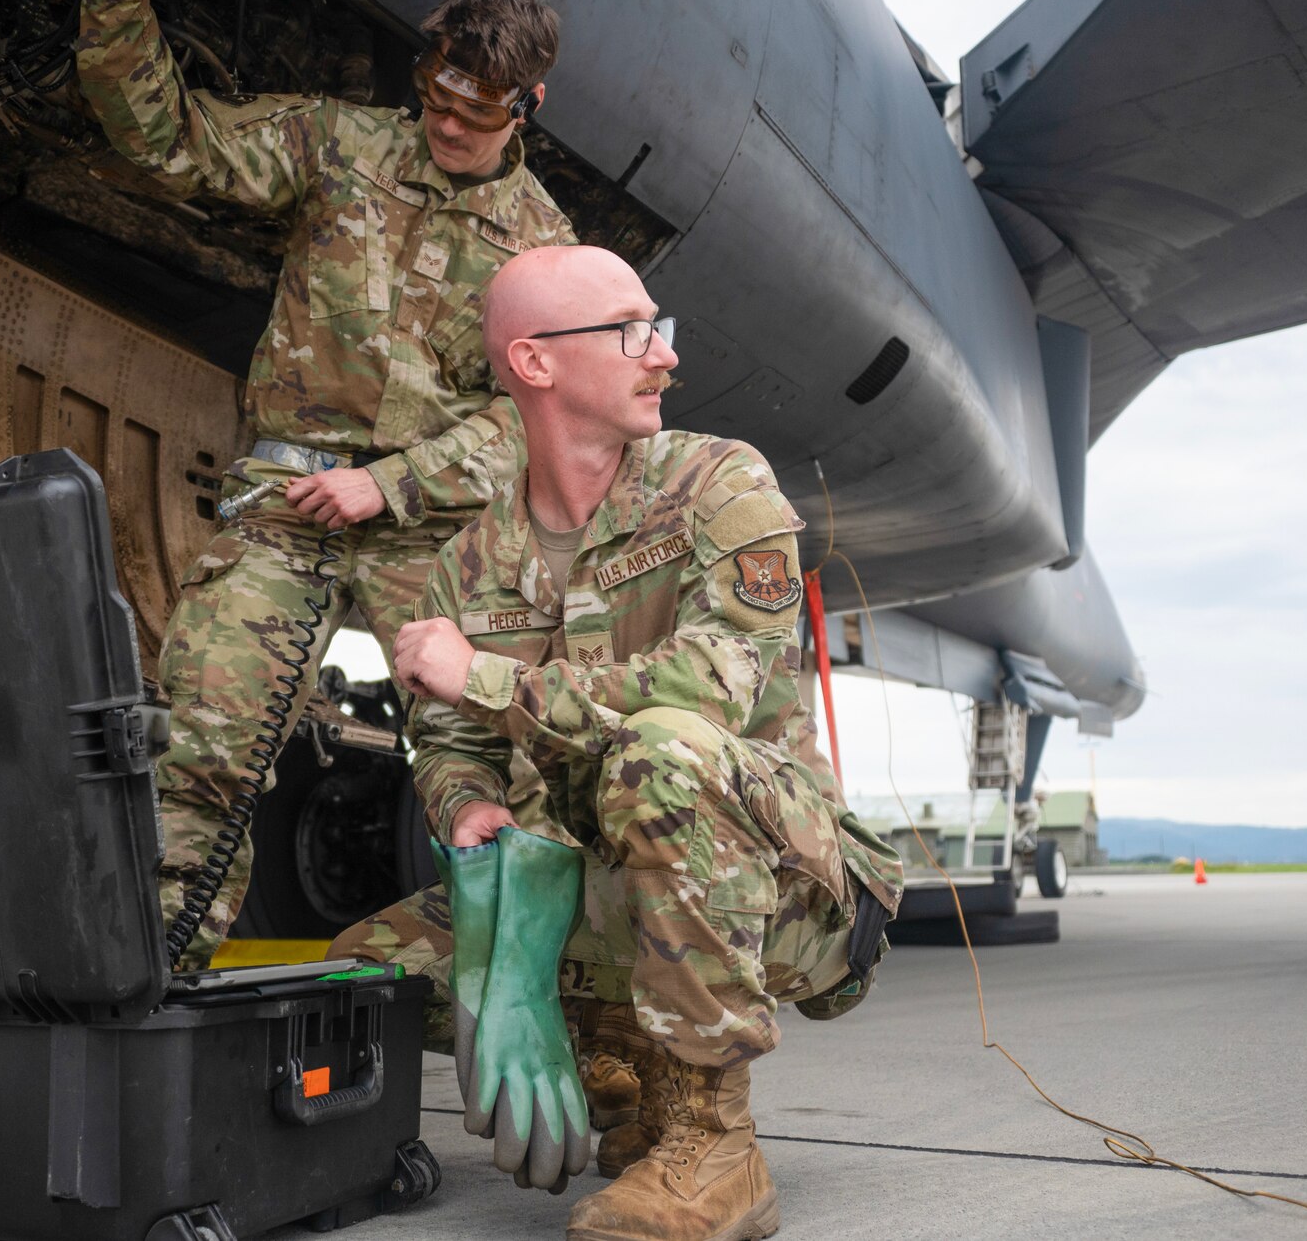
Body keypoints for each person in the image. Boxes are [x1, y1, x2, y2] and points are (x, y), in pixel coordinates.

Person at [345, 246, 903, 1240]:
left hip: (780, 884)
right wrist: (470, 815)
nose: (662, 356)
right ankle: (620, 1063)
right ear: (534, 363)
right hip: (597, 876)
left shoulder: (716, 483)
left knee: (664, 753)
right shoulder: (464, 567)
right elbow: (443, 747)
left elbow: (708, 688)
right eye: (629, 330)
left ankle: (712, 1145)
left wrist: (481, 674)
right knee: (368, 970)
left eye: (659, 327)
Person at [74, 0, 575, 967]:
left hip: (423, 535)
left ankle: (511, 1005)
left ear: (526, 106)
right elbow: (165, 139)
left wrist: (389, 484)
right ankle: (140, 990)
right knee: (205, 749)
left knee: (499, 776)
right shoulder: (339, 146)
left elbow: (527, 416)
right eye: (436, 97)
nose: (447, 125)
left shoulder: (543, 250)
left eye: (477, 113)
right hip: (283, 507)